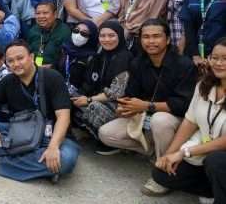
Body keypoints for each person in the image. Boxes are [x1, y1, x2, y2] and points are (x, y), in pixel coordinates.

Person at [98, 19, 197, 195]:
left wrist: (147, 105)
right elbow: (130, 93)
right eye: (146, 37)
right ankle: (155, 153)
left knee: (161, 121)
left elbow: (183, 105)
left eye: (156, 36)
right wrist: (125, 107)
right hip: (144, 115)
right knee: (106, 133)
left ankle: (164, 175)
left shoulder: (184, 65)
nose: (151, 41)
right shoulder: (138, 63)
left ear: (167, 39)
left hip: (175, 118)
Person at [0, 40, 79, 183]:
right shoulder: (8, 81)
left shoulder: (52, 77)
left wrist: (53, 147)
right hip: (21, 134)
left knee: (66, 160)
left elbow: (63, 117)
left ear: (31, 57)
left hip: (54, 136)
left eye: (20, 58)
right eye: (11, 61)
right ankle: (41, 166)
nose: (16, 64)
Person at [150, 38, 226, 202]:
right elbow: (190, 122)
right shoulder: (204, 85)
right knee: (161, 173)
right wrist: (169, 154)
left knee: (216, 161)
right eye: (215, 57)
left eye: (225, 59)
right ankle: (214, 189)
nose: (219, 63)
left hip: (219, 156)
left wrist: (184, 152)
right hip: (206, 151)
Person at [71, 20, 132, 154]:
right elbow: (89, 82)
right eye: (102, 36)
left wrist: (88, 100)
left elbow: (115, 93)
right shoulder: (100, 56)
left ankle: (110, 143)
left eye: (111, 36)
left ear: (120, 36)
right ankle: (89, 132)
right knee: (68, 97)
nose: (106, 40)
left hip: (118, 106)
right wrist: (78, 96)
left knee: (94, 107)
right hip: (96, 97)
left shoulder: (124, 58)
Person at [57, 20, 99, 93]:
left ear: (91, 37)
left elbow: (89, 85)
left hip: (78, 97)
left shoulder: (93, 58)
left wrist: (75, 96)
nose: (78, 35)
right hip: (58, 90)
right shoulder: (64, 49)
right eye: (76, 30)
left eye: (84, 33)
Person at [26, 2, 71, 68]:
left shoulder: (64, 31)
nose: (41, 16)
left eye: (45, 13)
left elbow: (66, 58)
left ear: (55, 14)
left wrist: (52, 66)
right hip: (33, 68)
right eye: (38, 13)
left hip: (55, 71)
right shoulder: (33, 30)